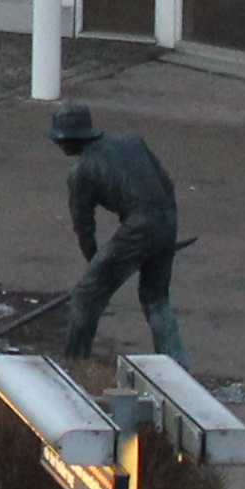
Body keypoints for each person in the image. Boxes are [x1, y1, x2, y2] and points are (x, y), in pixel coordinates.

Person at [50, 100, 184, 360]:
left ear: (68, 140)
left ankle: (75, 367)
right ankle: (177, 366)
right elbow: (167, 184)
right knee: (156, 298)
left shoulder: (81, 171)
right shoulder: (133, 142)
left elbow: (84, 229)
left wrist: (96, 268)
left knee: (85, 297)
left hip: (140, 225)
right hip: (167, 218)